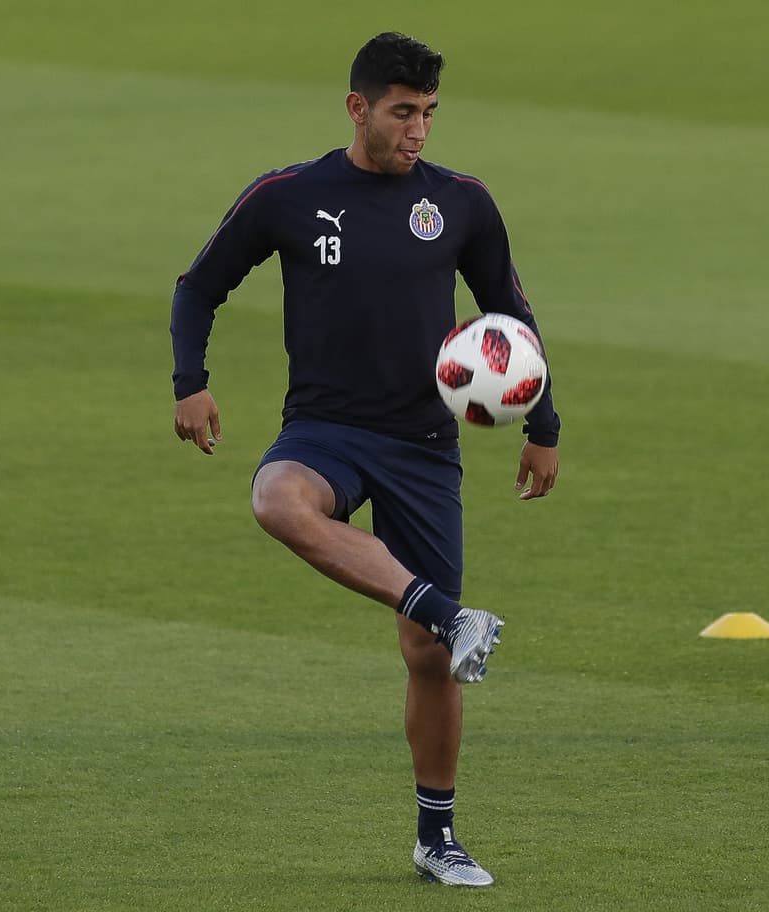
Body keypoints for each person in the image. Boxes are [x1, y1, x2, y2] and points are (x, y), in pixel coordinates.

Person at [170, 31, 560, 888]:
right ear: (358, 108)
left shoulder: (460, 203)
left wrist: (545, 424)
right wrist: (190, 381)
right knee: (276, 500)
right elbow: (199, 285)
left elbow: (510, 312)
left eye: (428, 113)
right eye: (402, 112)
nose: (418, 130)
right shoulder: (291, 195)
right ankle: (447, 613)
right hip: (325, 431)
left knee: (426, 657)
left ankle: (438, 837)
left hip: (425, 447)